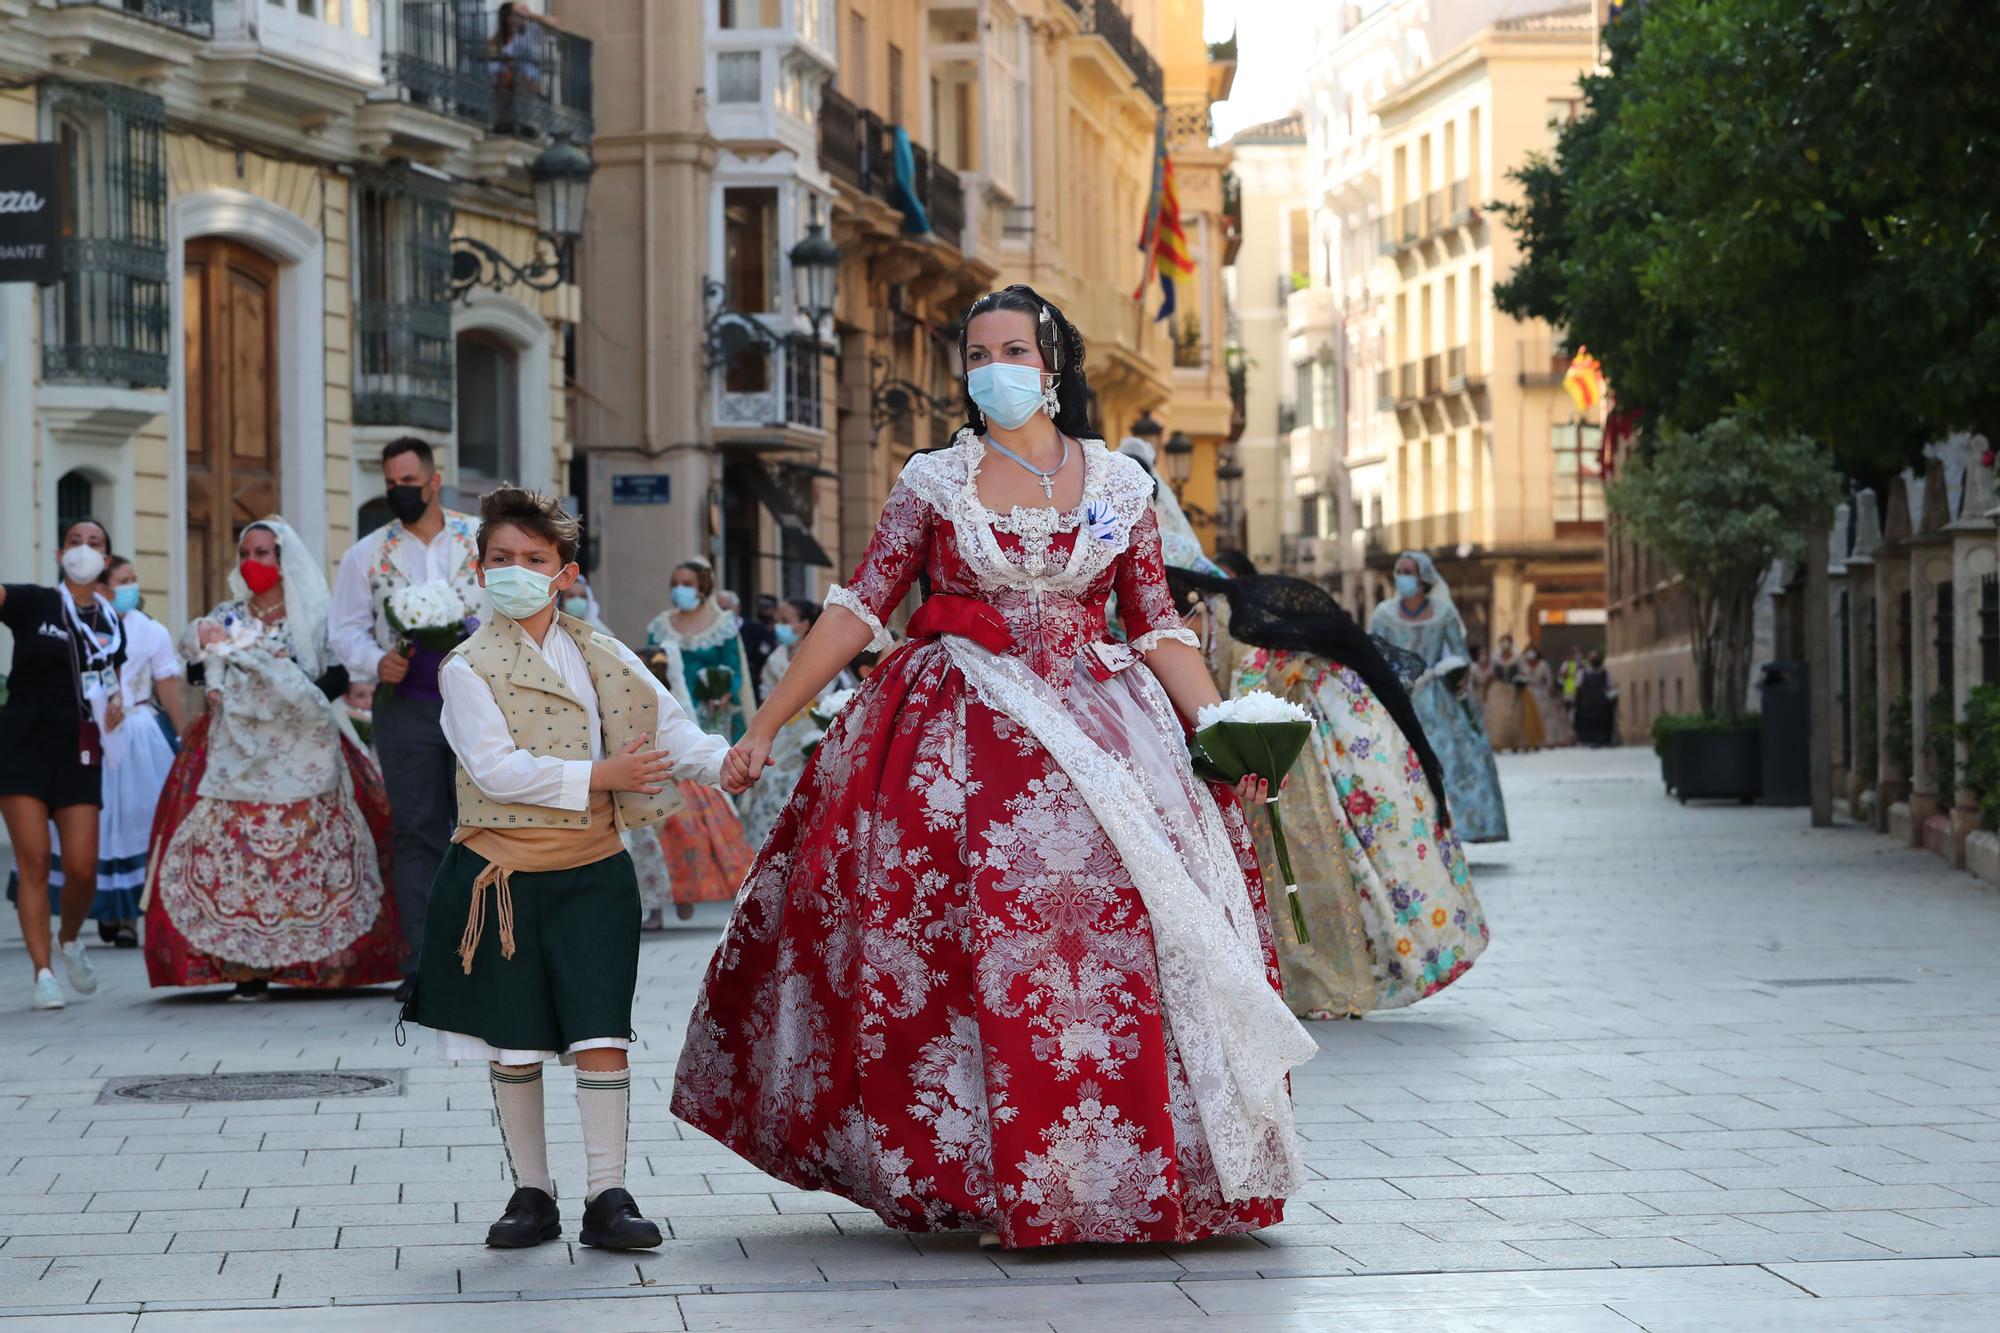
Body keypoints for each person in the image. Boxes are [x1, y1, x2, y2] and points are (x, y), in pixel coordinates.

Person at [676, 284, 1315, 1250]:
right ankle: (981, 1175)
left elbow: (1156, 626)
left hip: (1108, 731)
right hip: (960, 726)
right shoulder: (936, 480)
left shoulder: (1122, 484)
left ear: (1051, 363)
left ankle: (1127, 1169)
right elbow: (859, 608)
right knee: (956, 944)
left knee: (1134, 937)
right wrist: (767, 721)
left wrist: (1224, 729)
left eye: (1012, 348)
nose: (994, 367)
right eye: (977, 354)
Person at [402, 485, 734, 1252]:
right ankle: (531, 1192)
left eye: (533, 559)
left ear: (565, 572)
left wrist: (727, 762)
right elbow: (495, 769)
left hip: (593, 870)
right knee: (514, 1040)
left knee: (599, 1031)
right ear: (479, 568)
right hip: (502, 875)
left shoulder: (601, 650)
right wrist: (601, 776)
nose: (515, 570)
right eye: (500, 559)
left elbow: (668, 727)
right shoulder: (465, 665)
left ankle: (607, 1192)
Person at [1199, 571, 1489, 1019]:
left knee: (1365, 843)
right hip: (1328, 740)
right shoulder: (1273, 640)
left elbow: (1244, 693)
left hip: (1334, 740)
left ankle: (1341, 965)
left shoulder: (1274, 644)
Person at [145, 518, 401, 999]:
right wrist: (211, 657)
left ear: (284, 561)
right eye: (246, 552)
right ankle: (247, 968)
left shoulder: (316, 616)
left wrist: (296, 696)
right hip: (237, 754)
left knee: (308, 851)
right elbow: (199, 672)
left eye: (263, 553)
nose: (252, 562)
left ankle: (316, 966)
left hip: (304, 746)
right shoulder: (227, 615)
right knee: (239, 856)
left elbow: (340, 672)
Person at [332, 437, 487, 999]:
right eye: (390, 483)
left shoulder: (480, 539)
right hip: (406, 708)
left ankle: (483, 953)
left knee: (482, 826)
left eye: (408, 482)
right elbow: (344, 627)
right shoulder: (367, 553)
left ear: (434, 481)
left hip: (479, 705)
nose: (398, 491)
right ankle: (423, 962)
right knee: (417, 830)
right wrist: (377, 660)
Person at [1, 518, 124, 1009]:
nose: (83, 549)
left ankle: (68, 939)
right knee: (31, 860)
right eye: (74, 542)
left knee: (81, 868)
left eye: (93, 543)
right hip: (22, 744)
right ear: (59, 554)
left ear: (106, 561)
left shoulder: (113, 624)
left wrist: (118, 705)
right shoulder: (37, 602)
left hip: (80, 747)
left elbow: (113, 684)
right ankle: (43, 974)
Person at [38, 557, 190, 948]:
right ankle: (102, 909)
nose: (132, 587)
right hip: (89, 732)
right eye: (124, 581)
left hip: (138, 731)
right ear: (102, 588)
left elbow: (167, 686)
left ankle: (129, 914)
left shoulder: (151, 631)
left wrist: (184, 735)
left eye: (134, 580)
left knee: (139, 818)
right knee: (96, 822)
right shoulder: (78, 623)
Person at [1370, 553, 1508, 843]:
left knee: (1455, 758)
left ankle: (1455, 826)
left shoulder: (1443, 613)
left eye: (1407, 571)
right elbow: (1373, 655)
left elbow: (1459, 653)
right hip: (1397, 699)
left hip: (1436, 697)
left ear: (1423, 577)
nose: (1401, 576)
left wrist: (1456, 672)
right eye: (1398, 570)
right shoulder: (1383, 615)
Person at [736, 598, 859, 850]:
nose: (778, 627)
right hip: (779, 731)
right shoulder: (775, 658)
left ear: (804, 625)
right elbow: (767, 694)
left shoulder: (822, 656)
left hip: (807, 730)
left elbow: (827, 697)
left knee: (793, 785)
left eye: (785, 621)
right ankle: (761, 847)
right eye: (776, 621)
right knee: (764, 784)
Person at [646, 560, 757, 741]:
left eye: (687, 584)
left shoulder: (722, 624)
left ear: (702, 587)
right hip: (672, 709)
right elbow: (650, 667)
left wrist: (725, 694)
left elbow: (733, 667)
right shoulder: (660, 625)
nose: (678, 589)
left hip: (711, 712)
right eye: (675, 584)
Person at [1483, 633, 1526, 753]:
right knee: (1498, 716)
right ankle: (1498, 743)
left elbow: (1523, 673)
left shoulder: (1517, 658)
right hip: (1498, 689)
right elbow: (1490, 675)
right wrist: (1486, 691)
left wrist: (1521, 685)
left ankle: (1514, 743)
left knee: (1514, 716)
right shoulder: (1495, 658)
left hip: (1513, 690)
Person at [1524, 645, 1570, 748]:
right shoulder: (1524, 667)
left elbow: (1549, 679)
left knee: (1546, 717)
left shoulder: (1543, 665)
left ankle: (1548, 739)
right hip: (1529, 694)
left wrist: (1550, 690)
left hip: (1542, 694)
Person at [1573, 650, 1619, 746]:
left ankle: (1602, 738)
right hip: (1587, 702)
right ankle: (1588, 738)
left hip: (1601, 702)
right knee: (1587, 720)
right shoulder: (1583, 672)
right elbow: (1578, 687)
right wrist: (1577, 699)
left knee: (1601, 720)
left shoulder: (1604, 672)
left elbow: (1610, 685)